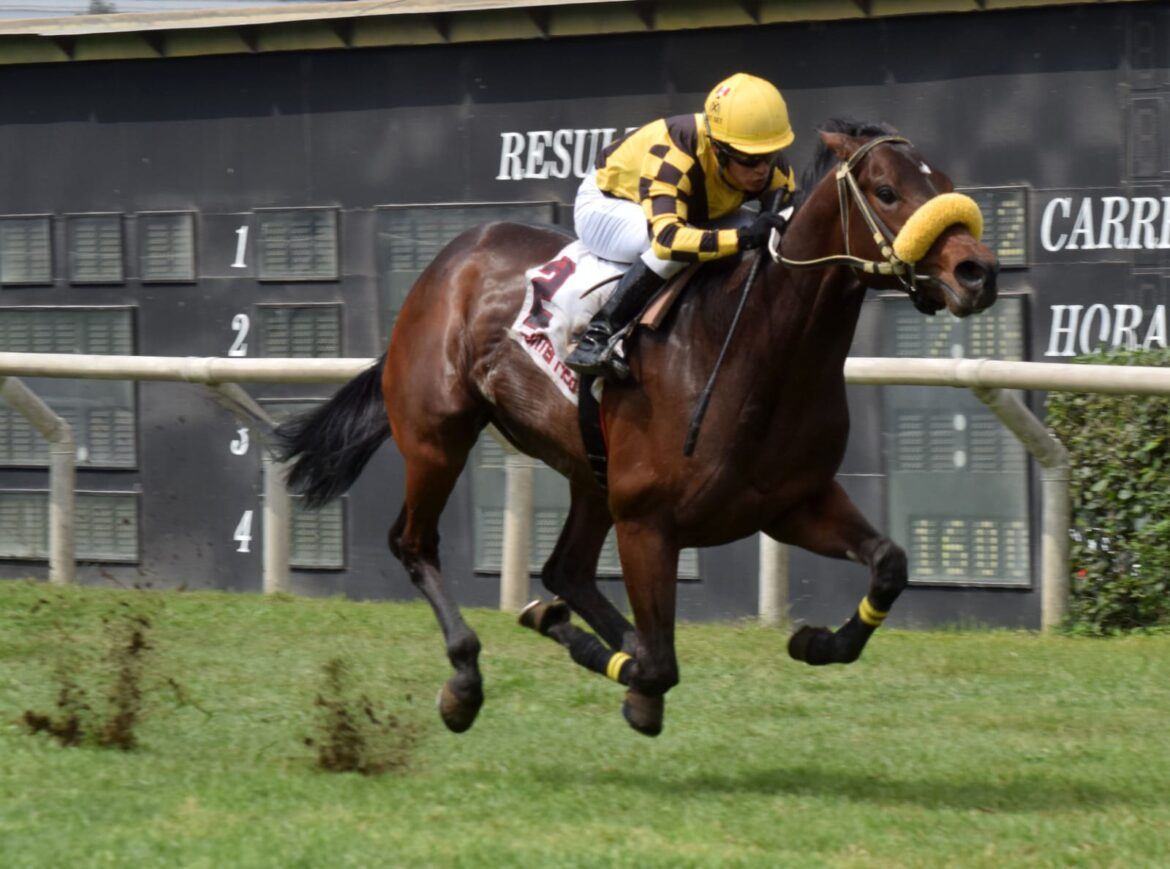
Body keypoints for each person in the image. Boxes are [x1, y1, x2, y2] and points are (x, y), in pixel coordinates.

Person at [566, 72, 797, 379]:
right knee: (670, 250)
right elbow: (667, 239)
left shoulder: (770, 168)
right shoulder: (676, 151)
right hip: (609, 205)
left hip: (689, 210)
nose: (763, 171)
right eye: (749, 160)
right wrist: (741, 239)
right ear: (717, 149)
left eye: (769, 156)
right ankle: (599, 334)